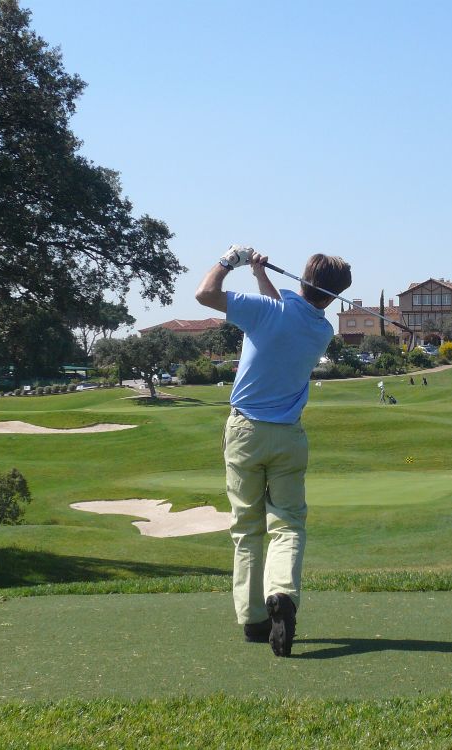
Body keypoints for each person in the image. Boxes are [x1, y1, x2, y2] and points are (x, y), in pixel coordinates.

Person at [195, 245, 352, 657]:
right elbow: (283, 314)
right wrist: (261, 276)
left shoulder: (267, 313)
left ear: (303, 279)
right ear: (333, 296)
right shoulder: (322, 331)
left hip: (245, 432)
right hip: (288, 438)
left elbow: (205, 294)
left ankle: (253, 620)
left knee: (247, 528)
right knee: (287, 525)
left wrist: (232, 260)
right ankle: (281, 592)